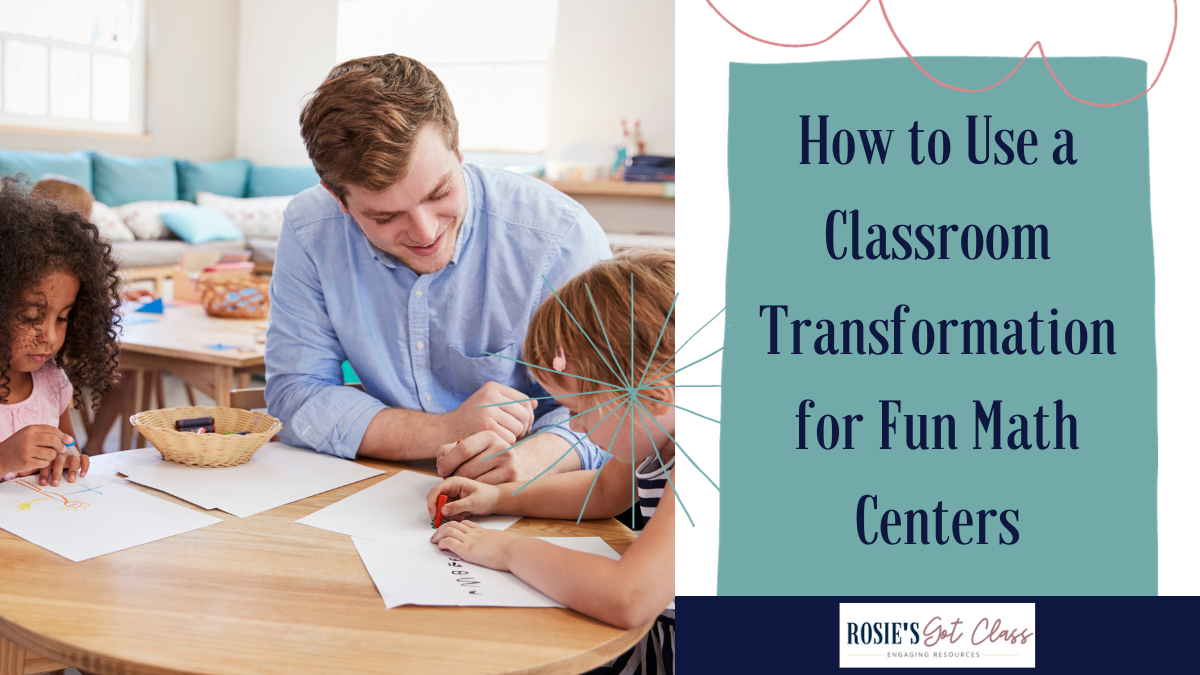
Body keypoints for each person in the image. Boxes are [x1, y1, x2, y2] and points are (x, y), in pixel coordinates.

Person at [265, 54, 612, 483]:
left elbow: (615, 404)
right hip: (373, 490)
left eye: (439, 193)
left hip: (537, 492)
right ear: (338, 199)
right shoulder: (310, 228)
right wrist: (446, 432)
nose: (425, 232)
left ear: (458, 146)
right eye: (384, 217)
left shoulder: (560, 236)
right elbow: (296, 393)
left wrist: (523, 464)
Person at [427, 249, 676, 674]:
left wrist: (507, 550)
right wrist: (498, 497)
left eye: (579, 410)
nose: (575, 429)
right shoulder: (657, 436)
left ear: (652, 398)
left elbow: (628, 597)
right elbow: (604, 490)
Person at [0, 177, 122, 485]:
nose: (50, 337)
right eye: (31, 317)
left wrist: (66, 460)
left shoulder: (52, 382)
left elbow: (68, 449)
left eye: (63, 318)